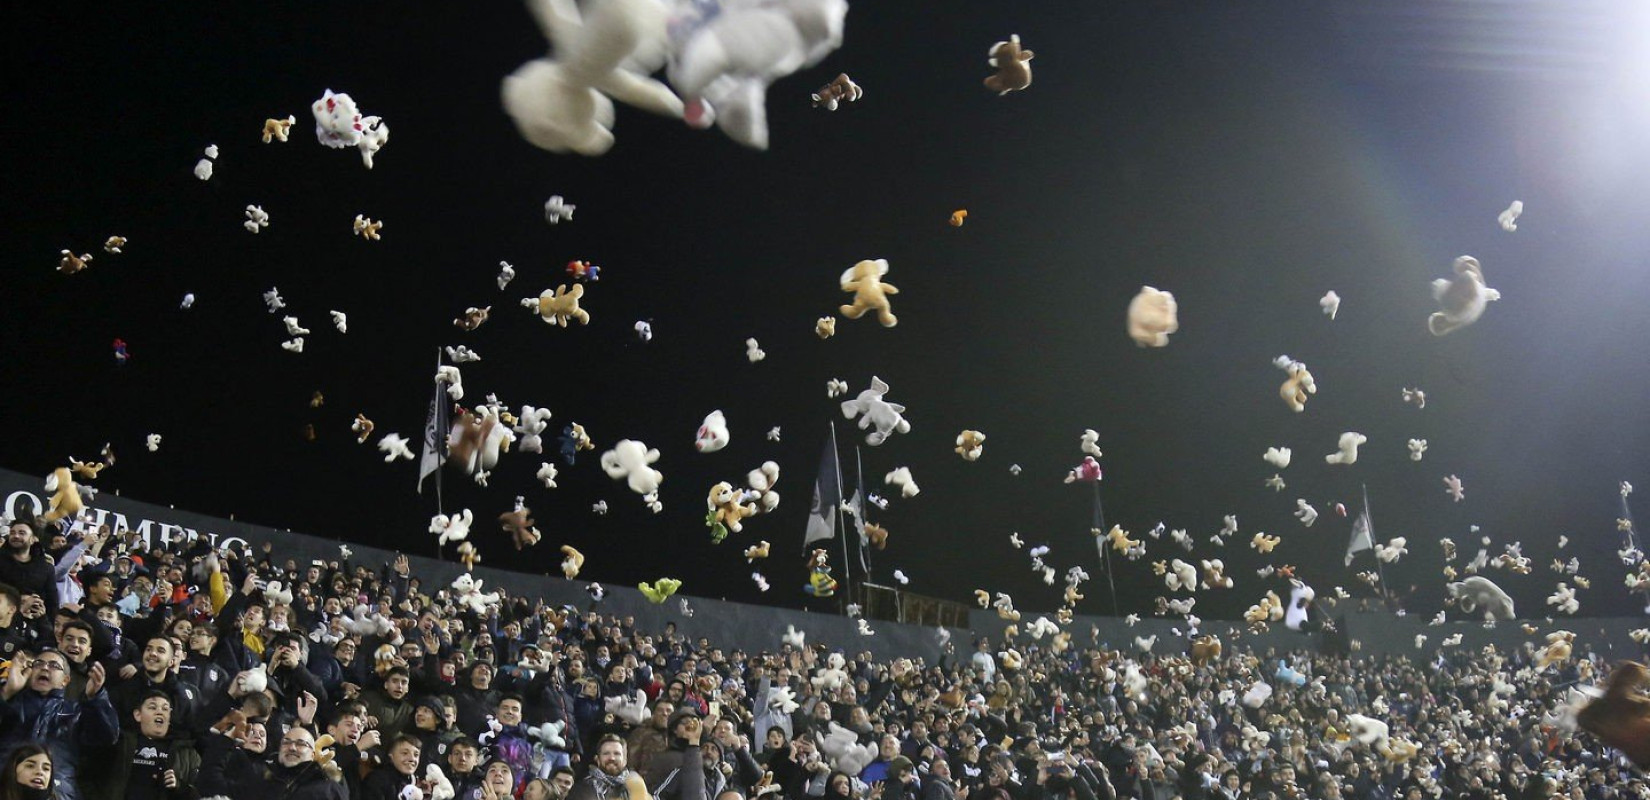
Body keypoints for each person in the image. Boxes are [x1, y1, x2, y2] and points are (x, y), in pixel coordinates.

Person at [0, 650, 118, 800]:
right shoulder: (10, 702)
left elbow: (108, 737)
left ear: (65, 680)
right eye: (38, 663)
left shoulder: (76, 712)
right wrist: (7, 692)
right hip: (6, 788)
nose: (44, 668)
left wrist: (96, 698)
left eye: (54, 665)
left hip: (58, 792)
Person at [83, 688, 202, 800]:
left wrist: (180, 786)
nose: (159, 712)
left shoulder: (187, 754)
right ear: (138, 715)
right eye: (152, 707)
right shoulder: (118, 744)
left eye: (165, 709)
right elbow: (88, 774)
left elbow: (200, 794)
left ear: (169, 718)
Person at [0, 521, 57, 619]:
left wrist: (43, 615)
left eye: (22, 533)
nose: (16, 536)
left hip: (35, 623)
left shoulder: (46, 568)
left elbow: (52, 602)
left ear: (33, 539)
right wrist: (21, 601)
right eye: (12, 533)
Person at [567, 735, 649, 800]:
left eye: (616, 754)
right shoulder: (581, 790)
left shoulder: (636, 787)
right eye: (606, 753)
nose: (612, 758)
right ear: (598, 760)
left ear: (625, 760)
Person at [361, 733, 421, 800]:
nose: (412, 759)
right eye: (405, 753)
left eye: (416, 755)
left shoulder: (416, 783)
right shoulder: (376, 780)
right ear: (391, 757)